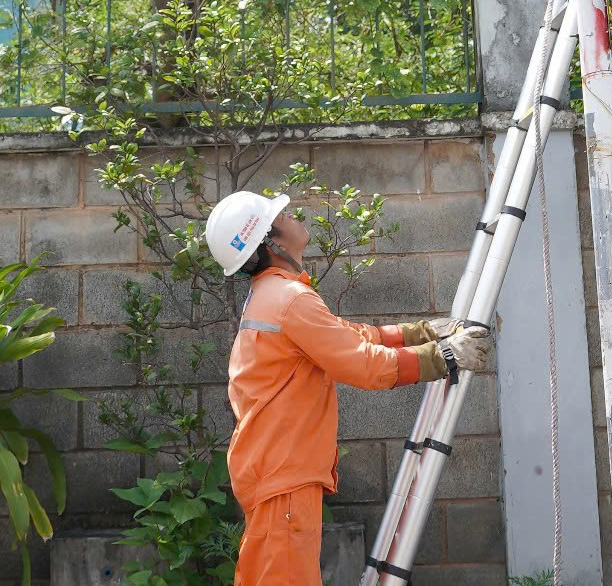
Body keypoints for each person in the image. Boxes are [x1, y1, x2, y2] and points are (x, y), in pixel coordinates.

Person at [210, 189, 492, 586]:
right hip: (283, 478)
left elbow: (349, 336)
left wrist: (422, 333)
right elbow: (361, 363)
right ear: (270, 241)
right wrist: (442, 356)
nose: (294, 215)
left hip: (274, 471)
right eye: (285, 215)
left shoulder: (275, 296)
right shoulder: (289, 299)